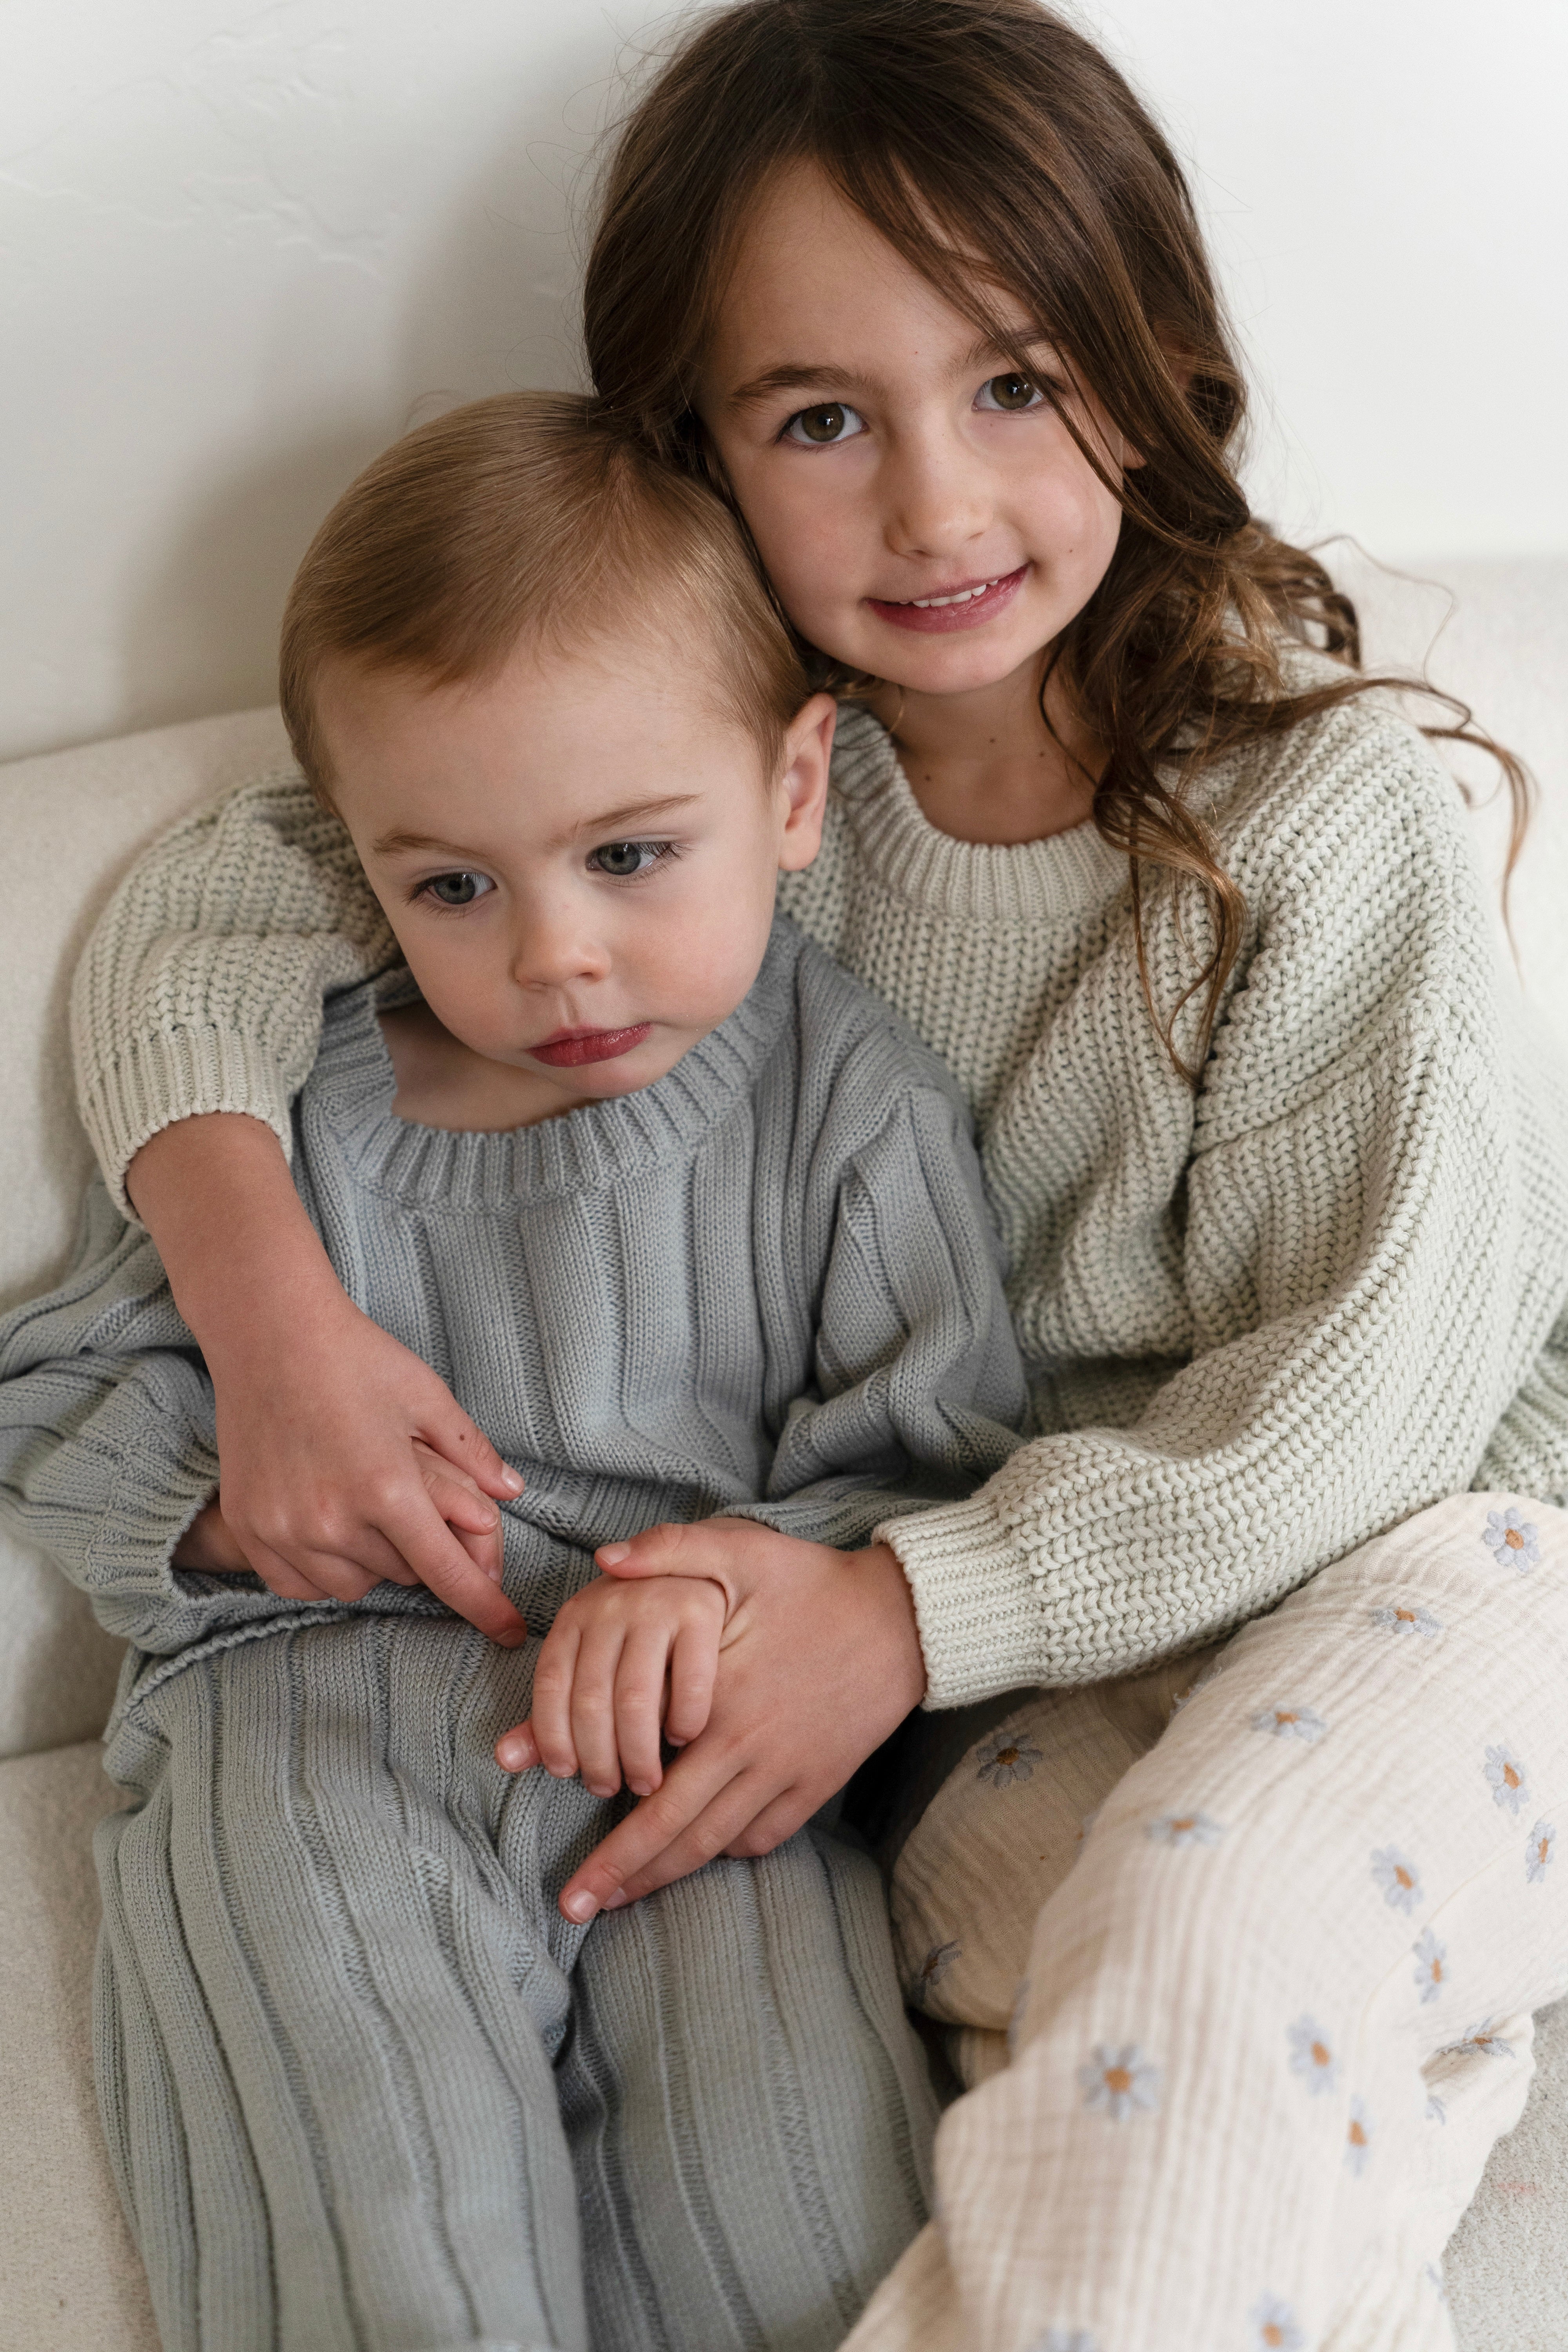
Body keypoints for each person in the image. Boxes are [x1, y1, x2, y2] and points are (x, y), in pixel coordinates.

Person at [58, 1, 1568, 2345]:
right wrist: (275, 1327)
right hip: (1018, 1650)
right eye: (822, 419)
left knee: (1212, 1943)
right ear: (696, 453)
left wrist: (897, 1616)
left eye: (1017, 382)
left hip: (1432, 1552)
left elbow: (1362, 1409)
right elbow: (230, 893)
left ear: (1149, 374)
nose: (938, 507)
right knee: (1069, 2044)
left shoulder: (1314, 812)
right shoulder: (714, 780)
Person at [0, 392, 1032, 2352]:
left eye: (630, 855)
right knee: (375, 2213)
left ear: (794, 788)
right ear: (361, 866)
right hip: (309, 1725)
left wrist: (745, 1586)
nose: (555, 954)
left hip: (689, 1766)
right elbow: (56, 1394)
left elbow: (943, 1459)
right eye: (454, 887)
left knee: (802, 2219)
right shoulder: (290, 1101)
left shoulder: (849, 1103)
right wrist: (219, 1512)